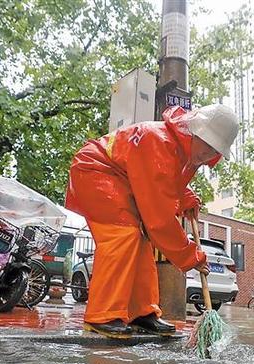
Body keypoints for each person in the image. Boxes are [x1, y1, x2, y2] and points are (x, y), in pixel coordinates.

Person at [65, 104, 239, 338]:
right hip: (96, 170)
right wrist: (191, 256)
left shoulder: (186, 153)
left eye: (214, 150)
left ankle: (142, 312)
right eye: (207, 145)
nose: (208, 154)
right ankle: (103, 315)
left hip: (120, 178)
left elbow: (167, 183)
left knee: (140, 240)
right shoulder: (158, 141)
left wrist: (185, 197)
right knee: (123, 235)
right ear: (195, 130)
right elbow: (159, 218)